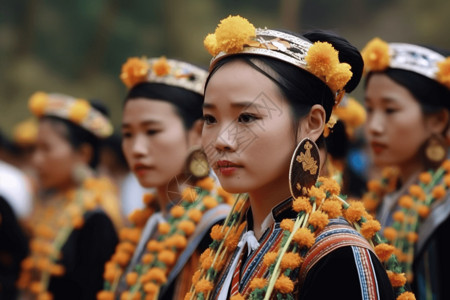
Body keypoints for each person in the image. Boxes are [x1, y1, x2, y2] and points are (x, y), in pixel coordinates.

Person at [184, 15, 409, 300]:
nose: (221, 141)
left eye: (246, 117)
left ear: (313, 122)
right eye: (210, 118)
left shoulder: (337, 256)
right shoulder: (228, 244)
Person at [97, 56, 233, 300]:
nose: (137, 148)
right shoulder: (149, 220)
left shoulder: (216, 228)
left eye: (152, 131)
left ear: (197, 133)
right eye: (128, 134)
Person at [361, 38, 450, 300]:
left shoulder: (443, 208)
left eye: (390, 110)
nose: (374, 126)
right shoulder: (384, 195)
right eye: (369, 109)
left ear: (437, 120)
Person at [16, 92, 119, 300]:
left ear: (83, 154)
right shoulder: (54, 201)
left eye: (46, 149)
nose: (36, 160)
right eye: (35, 148)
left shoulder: (97, 217)